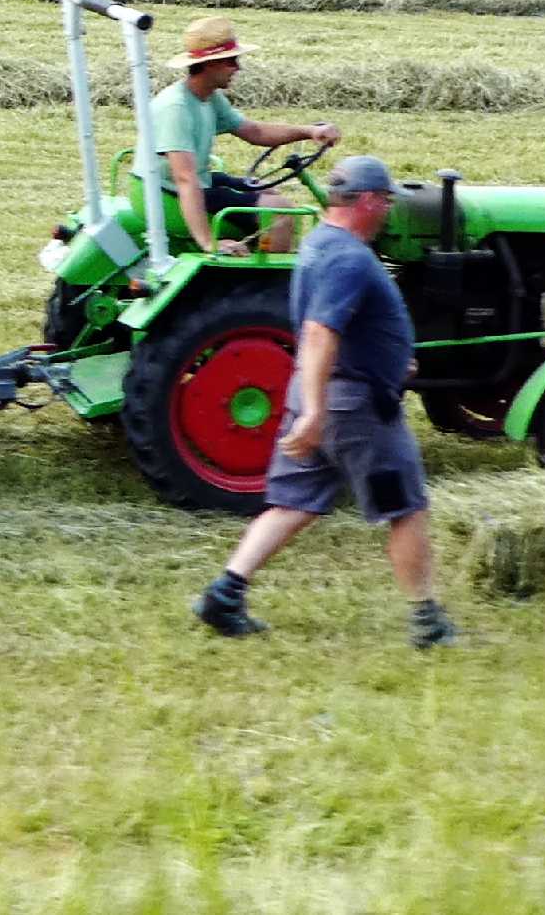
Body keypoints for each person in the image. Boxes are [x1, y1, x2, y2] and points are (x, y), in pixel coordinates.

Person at [191, 155, 456, 649]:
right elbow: (319, 332)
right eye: (387, 201)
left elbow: (339, 329)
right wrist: (315, 412)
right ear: (368, 201)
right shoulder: (349, 258)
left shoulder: (318, 243)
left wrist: (387, 358)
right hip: (353, 409)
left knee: (293, 502)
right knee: (406, 507)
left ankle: (224, 594)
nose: (389, 211)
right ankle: (427, 620)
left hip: (321, 394)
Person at [153, 17, 340, 257]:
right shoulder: (176, 108)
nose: (238, 68)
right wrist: (208, 242)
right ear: (210, 64)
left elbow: (254, 132)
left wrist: (310, 131)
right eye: (232, 61)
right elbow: (185, 178)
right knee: (281, 212)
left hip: (192, 181)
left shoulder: (208, 98)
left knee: (266, 190)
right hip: (167, 193)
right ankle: (268, 279)